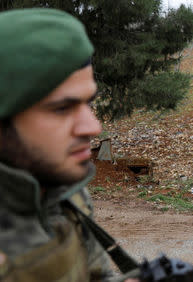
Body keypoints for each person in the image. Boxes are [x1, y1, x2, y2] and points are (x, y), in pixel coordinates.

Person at [0, 8, 116, 281]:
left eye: (88, 102)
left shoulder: (63, 190)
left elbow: (96, 273)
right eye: (62, 108)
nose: (93, 127)